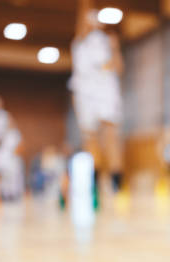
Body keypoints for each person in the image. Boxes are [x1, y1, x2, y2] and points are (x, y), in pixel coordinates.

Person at [69, 0, 124, 193]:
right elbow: (82, 16)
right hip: (86, 92)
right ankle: (95, 179)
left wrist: (115, 47)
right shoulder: (80, 42)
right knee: (90, 137)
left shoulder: (106, 41)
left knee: (111, 135)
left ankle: (116, 179)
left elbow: (118, 68)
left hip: (105, 90)